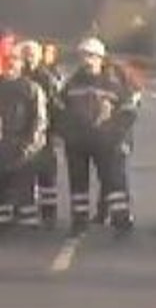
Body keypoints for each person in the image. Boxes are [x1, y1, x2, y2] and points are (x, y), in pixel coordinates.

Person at [60, 37, 139, 237]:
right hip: (77, 143)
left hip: (106, 142)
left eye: (91, 56)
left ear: (101, 58)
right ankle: (79, 222)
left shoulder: (113, 84)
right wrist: (68, 133)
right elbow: (59, 111)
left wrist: (114, 133)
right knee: (78, 184)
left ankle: (121, 220)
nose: (87, 60)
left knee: (112, 181)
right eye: (83, 56)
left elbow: (128, 111)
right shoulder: (71, 83)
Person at [0, 44, 47, 231]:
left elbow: (39, 120)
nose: (11, 65)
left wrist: (29, 145)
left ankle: (28, 221)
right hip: (2, 143)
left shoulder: (31, 88)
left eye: (15, 61)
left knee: (24, 184)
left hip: (23, 145)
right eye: (7, 62)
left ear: (21, 64)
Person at [19, 40, 63, 228]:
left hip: (46, 133)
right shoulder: (18, 77)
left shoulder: (46, 78)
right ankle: (27, 216)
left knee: (47, 176)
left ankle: (49, 214)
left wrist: (55, 131)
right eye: (25, 55)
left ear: (39, 56)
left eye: (32, 55)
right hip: (23, 134)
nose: (29, 58)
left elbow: (56, 106)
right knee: (24, 174)